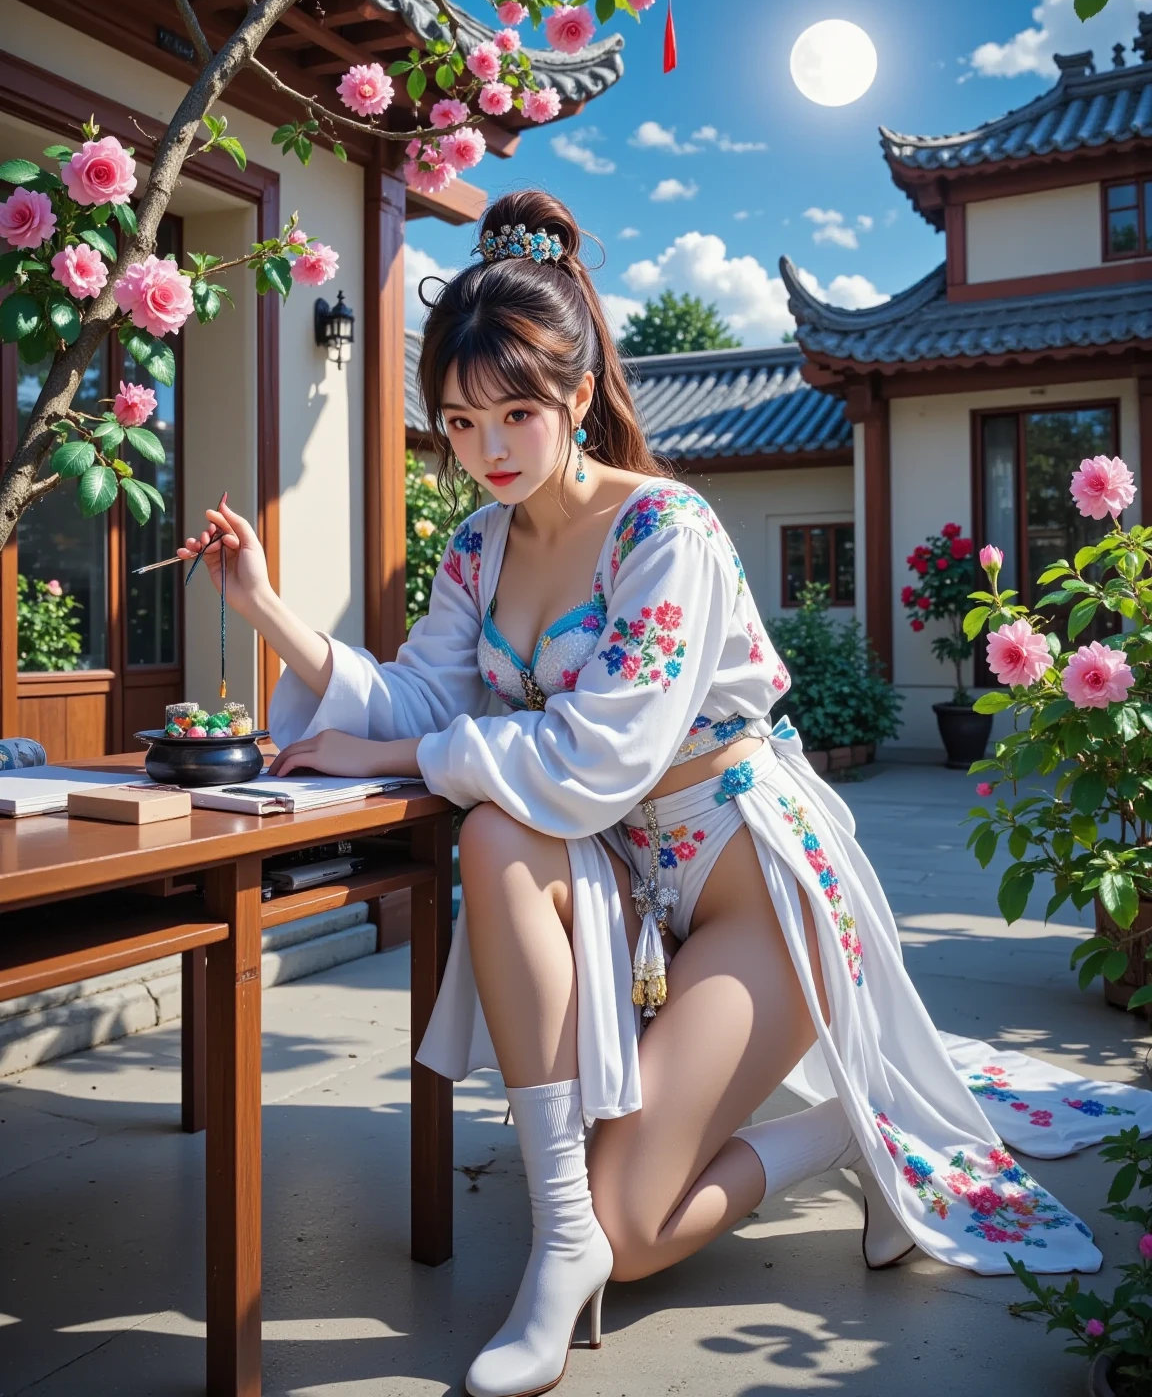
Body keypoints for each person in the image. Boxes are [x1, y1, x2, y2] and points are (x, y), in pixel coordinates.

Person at [181, 190, 1100, 1397]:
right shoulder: (477, 547)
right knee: (497, 839)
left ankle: (839, 1129)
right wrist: (265, 611)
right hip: (621, 878)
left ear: (575, 396)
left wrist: (398, 758)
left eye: (516, 412)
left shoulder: (668, 527)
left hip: (752, 889)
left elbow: (596, 755)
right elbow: (418, 701)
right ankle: (561, 1243)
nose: (488, 448)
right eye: (459, 423)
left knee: (645, 1230)